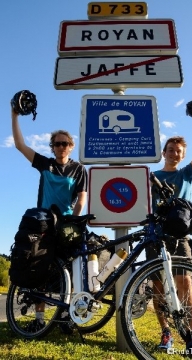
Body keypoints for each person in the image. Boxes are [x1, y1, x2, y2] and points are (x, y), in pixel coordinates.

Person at [11, 106, 88, 333]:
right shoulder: (46, 164)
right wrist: (14, 115)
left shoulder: (79, 169)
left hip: (66, 225)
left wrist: (74, 220)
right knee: (40, 268)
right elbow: (19, 145)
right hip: (43, 223)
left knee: (72, 269)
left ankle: (66, 315)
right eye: (57, 143)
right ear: (52, 147)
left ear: (71, 146)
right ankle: (40, 318)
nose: (61, 147)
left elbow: (82, 198)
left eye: (65, 143)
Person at [147, 115, 192, 359]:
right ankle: (165, 332)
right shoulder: (152, 177)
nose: (174, 153)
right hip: (155, 235)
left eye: (179, 151)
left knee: (185, 284)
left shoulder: (186, 174)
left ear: (183, 156)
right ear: (164, 153)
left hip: (180, 236)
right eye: (171, 150)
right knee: (157, 287)